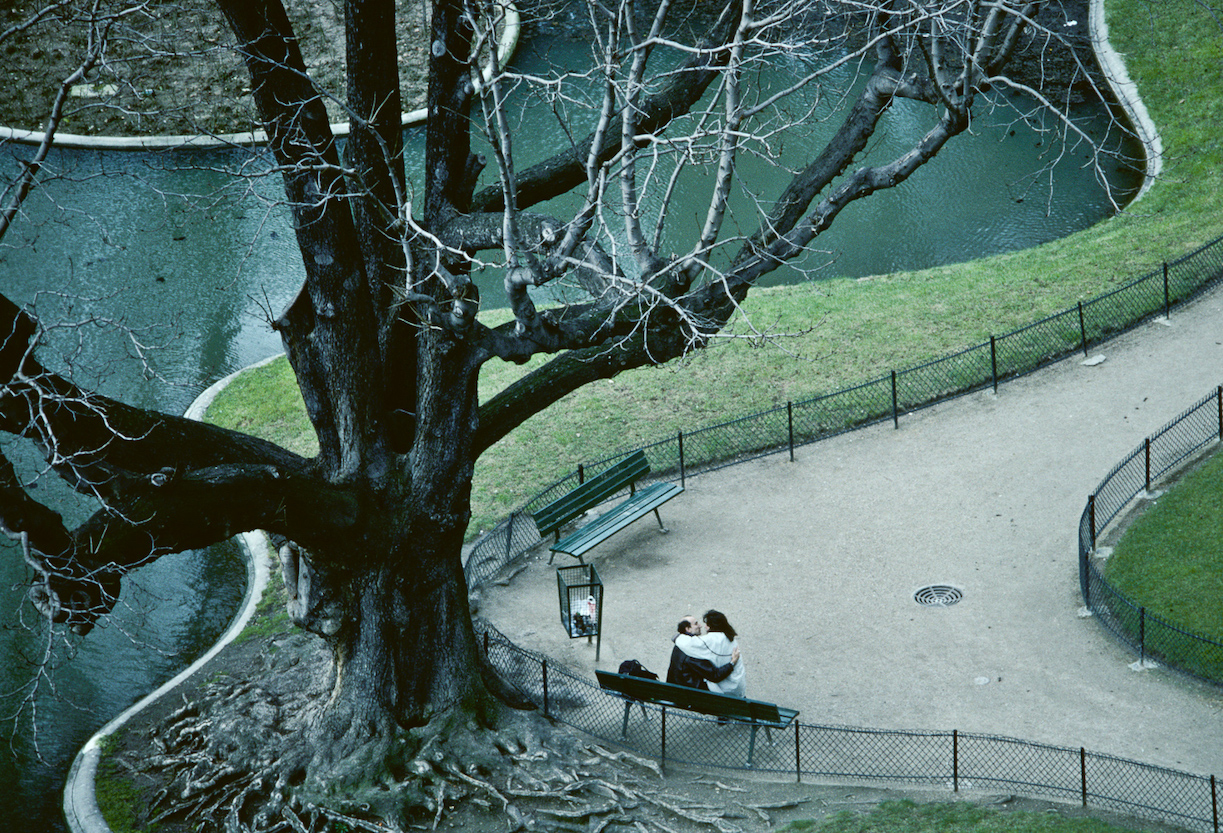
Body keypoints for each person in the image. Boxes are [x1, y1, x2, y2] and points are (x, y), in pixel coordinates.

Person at [666, 614, 740, 690]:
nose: (700, 626)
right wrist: (732, 663)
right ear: (688, 629)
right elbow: (715, 675)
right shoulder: (692, 651)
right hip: (690, 695)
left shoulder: (680, 645)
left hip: (676, 691)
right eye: (696, 624)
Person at [691, 609, 746, 698]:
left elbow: (688, 644)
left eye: (706, 625)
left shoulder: (709, 640)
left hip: (722, 690)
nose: (704, 627)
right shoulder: (731, 639)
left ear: (710, 626)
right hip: (738, 687)